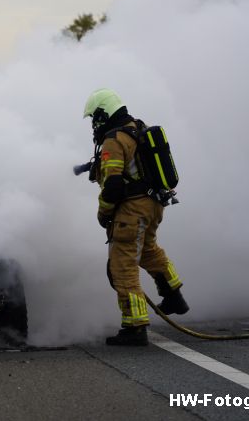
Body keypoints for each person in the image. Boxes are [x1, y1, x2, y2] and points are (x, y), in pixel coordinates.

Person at [83, 88, 189, 346]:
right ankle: (173, 295)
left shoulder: (113, 139)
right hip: (153, 205)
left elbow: (114, 186)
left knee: (123, 266)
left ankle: (135, 326)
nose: (94, 124)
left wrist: (103, 213)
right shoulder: (138, 127)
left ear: (103, 113)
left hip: (131, 210)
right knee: (148, 250)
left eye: (94, 117)